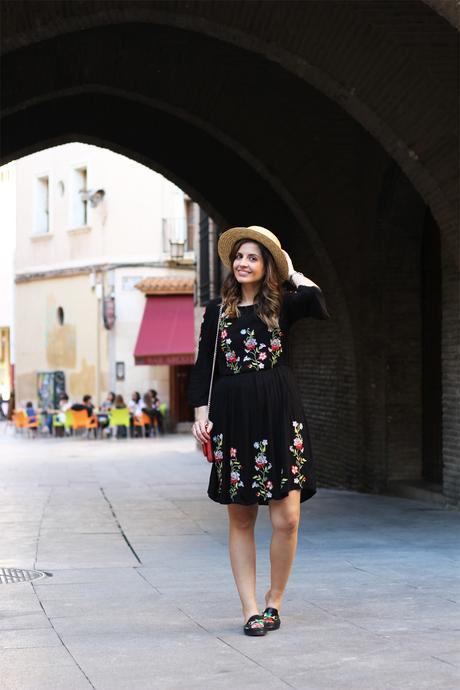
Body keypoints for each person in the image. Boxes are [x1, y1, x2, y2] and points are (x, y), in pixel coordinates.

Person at [188, 225, 331, 637]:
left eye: (253, 257)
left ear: (267, 264)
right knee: (242, 516)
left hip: (279, 412)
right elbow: (203, 369)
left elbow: (317, 301)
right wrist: (202, 415)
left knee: (287, 518)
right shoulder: (217, 312)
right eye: (239, 257)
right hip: (234, 417)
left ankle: (275, 601)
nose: (243, 263)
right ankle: (251, 609)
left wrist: (288, 270)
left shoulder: (282, 304)